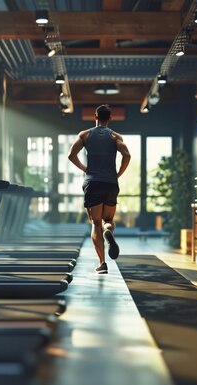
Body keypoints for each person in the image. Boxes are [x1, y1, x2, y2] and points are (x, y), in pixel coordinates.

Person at [68, 104, 131, 274]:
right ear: (110, 118)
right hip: (110, 183)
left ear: (95, 117)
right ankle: (108, 230)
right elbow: (127, 155)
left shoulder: (85, 135)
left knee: (95, 223)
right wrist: (118, 174)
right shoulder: (116, 137)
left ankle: (102, 263)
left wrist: (84, 168)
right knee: (108, 220)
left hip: (92, 182)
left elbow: (71, 155)